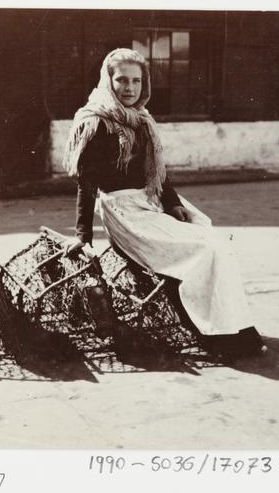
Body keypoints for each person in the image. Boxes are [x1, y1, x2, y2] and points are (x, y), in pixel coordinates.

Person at [63, 48, 265, 358]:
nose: (130, 88)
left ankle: (237, 327)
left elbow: (156, 171)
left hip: (151, 200)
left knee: (216, 241)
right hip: (124, 212)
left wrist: (172, 203)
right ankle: (213, 335)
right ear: (108, 80)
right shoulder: (96, 122)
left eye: (137, 81)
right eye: (121, 80)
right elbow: (87, 182)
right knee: (201, 252)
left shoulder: (143, 119)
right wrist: (82, 234)